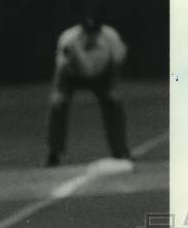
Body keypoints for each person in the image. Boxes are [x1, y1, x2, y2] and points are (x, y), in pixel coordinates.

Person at [46, 14, 131, 167]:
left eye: (94, 32)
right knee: (57, 105)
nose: (91, 36)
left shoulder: (111, 37)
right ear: (82, 31)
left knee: (114, 103)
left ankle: (120, 149)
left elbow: (116, 64)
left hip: (102, 74)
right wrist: (57, 92)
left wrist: (113, 88)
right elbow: (61, 69)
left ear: (100, 31)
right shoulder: (69, 39)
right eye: (88, 32)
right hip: (74, 74)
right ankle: (54, 153)